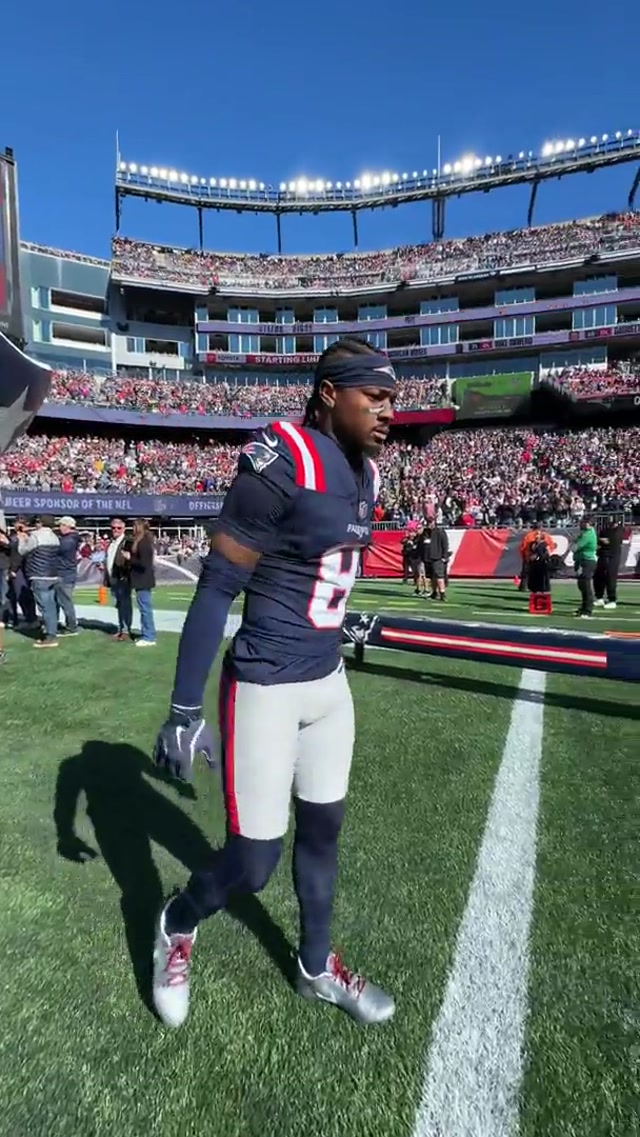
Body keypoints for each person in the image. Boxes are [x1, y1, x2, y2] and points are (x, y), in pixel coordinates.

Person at [152, 337, 396, 1030]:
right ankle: (178, 917)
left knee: (324, 831)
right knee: (254, 861)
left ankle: (315, 966)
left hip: (328, 685)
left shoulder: (369, 473)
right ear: (329, 393)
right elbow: (220, 582)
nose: (386, 413)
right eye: (373, 397)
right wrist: (181, 707)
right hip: (265, 684)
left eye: (391, 401)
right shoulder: (282, 456)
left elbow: (319, 572)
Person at [17, 515, 60, 648]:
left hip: (39, 575)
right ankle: (52, 631)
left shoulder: (35, 536)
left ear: (40, 523)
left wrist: (22, 539)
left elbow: (22, 551)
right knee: (51, 606)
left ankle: (50, 637)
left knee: (45, 607)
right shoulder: (55, 537)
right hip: (52, 575)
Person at [123, 518, 157, 646]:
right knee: (144, 608)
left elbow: (144, 563)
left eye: (134, 526)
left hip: (143, 579)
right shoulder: (143, 541)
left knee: (145, 609)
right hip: (142, 579)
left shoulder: (143, 542)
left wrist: (129, 558)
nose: (132, 529)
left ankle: (149, 637)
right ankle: (147, 634)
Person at [103, 518, 133, 641]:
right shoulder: (112, 542)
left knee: (125, 604)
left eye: (118, 528)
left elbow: (132, 559)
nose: (115, 530)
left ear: (124, 529)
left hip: (123, 578)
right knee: (119, 605)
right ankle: (121, 628)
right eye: (113, 528)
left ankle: (126, 630)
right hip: (113, 578)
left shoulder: (128, 542)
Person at [55, 516, 81, 636]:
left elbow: (56, 549)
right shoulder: (70, 538)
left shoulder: (68, 540)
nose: (59, 527)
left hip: (65, 573)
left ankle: (72, 626)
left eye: (61, 525)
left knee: (66, 601)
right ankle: (70, 624)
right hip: (66, 572)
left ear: (67, 526)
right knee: (64, 600)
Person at [594, 517, 624, 610]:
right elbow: (600, 540)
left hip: (612, 557)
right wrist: (603, 541)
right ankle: (599, 597)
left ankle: (612, 599)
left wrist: (604, 541)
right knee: (599, 577)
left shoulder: (618, 531)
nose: (611, 525)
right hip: (603, 555)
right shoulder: (605, 530)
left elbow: (610, 541)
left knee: (610, 578)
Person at [572, 516, 598, 618]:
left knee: (586, 586)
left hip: (586, 561)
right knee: (582, 585)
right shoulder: (585, 534)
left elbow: (574, 548)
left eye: (583, 523)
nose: (581, 524)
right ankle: (583, 607)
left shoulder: (587, 535)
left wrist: (575, 541)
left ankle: (587, 609)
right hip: (582, 561)